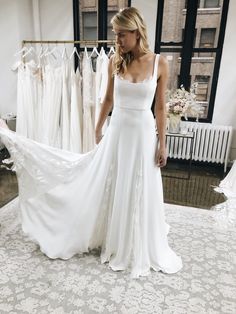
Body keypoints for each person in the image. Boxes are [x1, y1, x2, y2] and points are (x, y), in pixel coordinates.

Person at [0, 7, 182, 278]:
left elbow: (160, 108)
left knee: (139, 184)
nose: (117, 41)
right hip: (117, 131)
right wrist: (98, 129)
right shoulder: (114, 61)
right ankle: (111, 233)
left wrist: (162, 144)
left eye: (121, 35)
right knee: (111, 181)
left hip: (143, 134)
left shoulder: (159, 63)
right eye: (115, 35)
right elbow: (107, 100)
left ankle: (136, 240)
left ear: (136, 32)